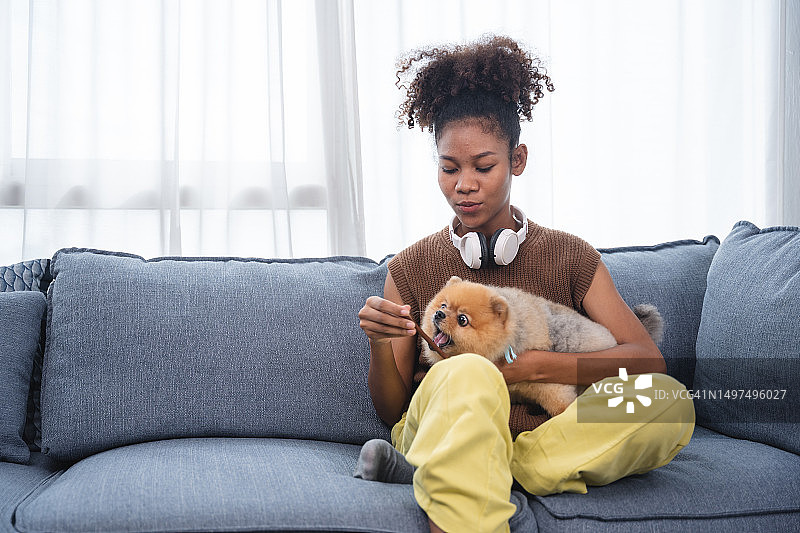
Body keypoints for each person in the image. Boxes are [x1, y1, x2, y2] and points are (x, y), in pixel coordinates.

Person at [355, 35, 694, 533]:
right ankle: (464, 472)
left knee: (667, 400)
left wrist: (529, 366)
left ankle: (500, 468)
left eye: (483, 166)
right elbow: (390, 408)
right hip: (445, 421)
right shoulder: (411, 266)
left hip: (549, 438)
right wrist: (382, 345)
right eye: (448, 169)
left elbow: (647, 359)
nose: (463, 184)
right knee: (469, 373)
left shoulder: (570, 256)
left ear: (518, 160)